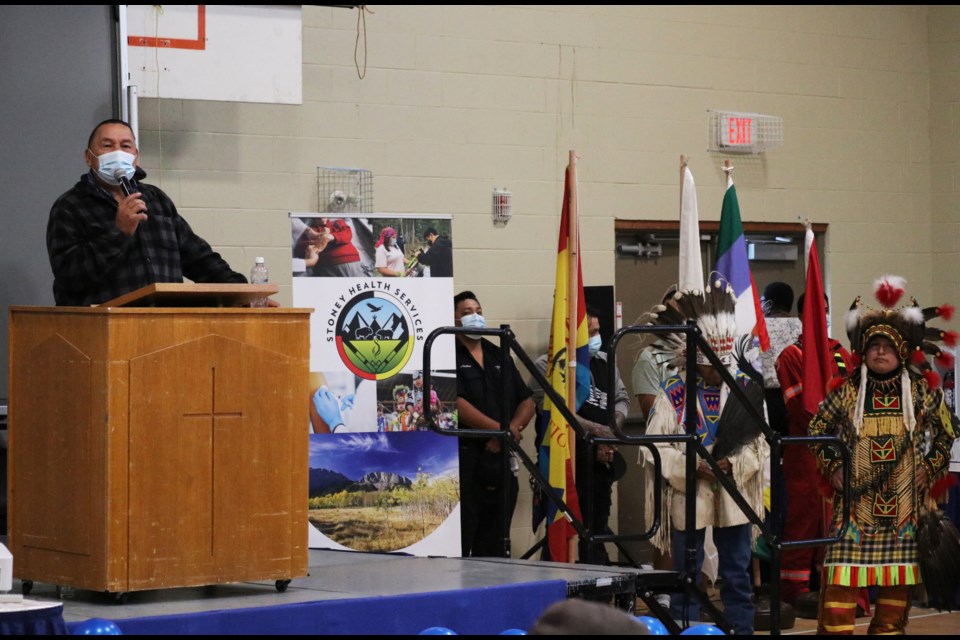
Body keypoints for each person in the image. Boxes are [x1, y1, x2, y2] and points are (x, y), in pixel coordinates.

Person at [808, 277, 957, 635]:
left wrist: (929, 467)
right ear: (864, 350)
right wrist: (835, 466)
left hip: (904, 513)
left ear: (902, 352)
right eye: (873, 346)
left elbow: (946, 434)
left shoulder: (920, 392)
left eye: (886, 347)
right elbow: (816, 430)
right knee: (839, 592)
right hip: (855, 512)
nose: (879, 352)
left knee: (893, 603)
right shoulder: (848, 391)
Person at [641, 285, 768, 635]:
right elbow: (656, 446)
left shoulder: (743, 388)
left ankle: (741, 631)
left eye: (724, 363)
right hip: (689, 490)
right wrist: (689, 467)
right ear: (696, 362)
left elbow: (760, 444)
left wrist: (733, 464)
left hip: (733, 491)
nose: (720, 371)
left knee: (737, 573)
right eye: (714, 366)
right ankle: (688, 630)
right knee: (687, 574)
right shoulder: (675, 393)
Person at [47, 119, 247, 306]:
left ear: (136, 157)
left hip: (165, 327)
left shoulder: (156, 199)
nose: (118, 152)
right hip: (105, 330)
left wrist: (245, 294)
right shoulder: (70, 206)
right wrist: (119, 232)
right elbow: (70, 276)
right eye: (107, 146)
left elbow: (199, 259)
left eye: (125, 146)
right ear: (88, 157)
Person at [529, 306, 629, 565]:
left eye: (597, 331)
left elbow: (621, 399)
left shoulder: (607, 362)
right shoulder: (548, 365)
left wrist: (610, 433)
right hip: (566, 461)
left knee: (597, 525)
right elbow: (555, 410)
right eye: (590, 332)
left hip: (601, 460)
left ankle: (598, 589)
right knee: (565, 529)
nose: (596, 337)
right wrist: (598, 432)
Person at [774, 293, 854, 607]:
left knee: (838, 519)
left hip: (842, 449)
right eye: (814, 312)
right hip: (805, 453)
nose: (821, 317)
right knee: (803, 520)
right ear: (802, 316)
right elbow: (800, 409)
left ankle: (834, 589)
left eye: (825, 311)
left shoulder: (841, 354)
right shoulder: (791, 355)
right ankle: (795, 594)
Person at [454, 290, 535, 557]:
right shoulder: (448, 354)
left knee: (496, 541)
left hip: (500, 457)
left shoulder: (497, 352)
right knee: (464, 537)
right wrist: (499, 430)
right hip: (466, 459)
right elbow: (455, 404)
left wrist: (510, 430)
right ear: (454, 319)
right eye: (467, 313)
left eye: (478, 310)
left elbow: (527, 401)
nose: (475, 317)